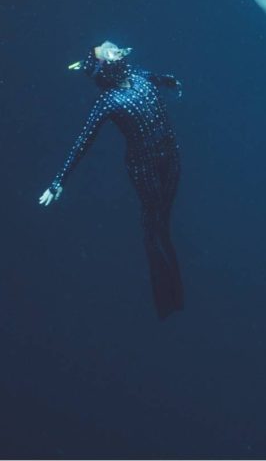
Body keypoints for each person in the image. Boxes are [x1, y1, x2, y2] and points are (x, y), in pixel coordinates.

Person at [40, 41, 184, 319]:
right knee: (153, 225)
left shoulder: (138, 75)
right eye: (105, 52)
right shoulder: (107, 102)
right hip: (146, 167)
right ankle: (166, 297)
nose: (112, 48)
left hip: (171, 157)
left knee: (163, 221)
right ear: (104, 68)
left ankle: (171, 293)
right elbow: (84, 141)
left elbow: (153, 77)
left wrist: (169, 80)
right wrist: (58, 181)